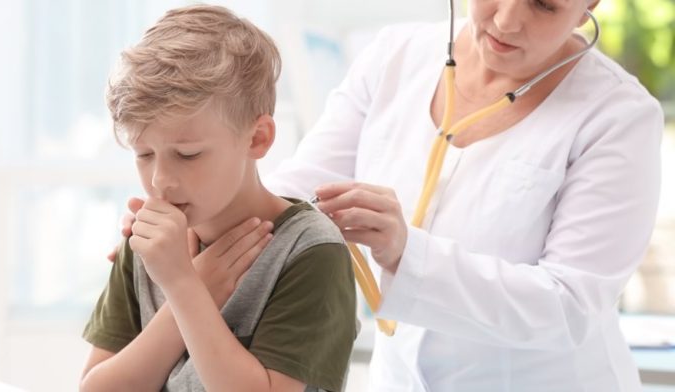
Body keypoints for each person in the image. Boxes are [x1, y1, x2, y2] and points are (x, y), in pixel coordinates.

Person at [117, 0, 664, 391]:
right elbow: (294, 190)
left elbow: (569, 305)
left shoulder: (618, 117)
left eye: (544, 5)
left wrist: (407, 251)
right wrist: (197, 218)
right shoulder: (396, 56)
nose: (506, 18)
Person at [81, 5, 357, 392]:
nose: (160, 180)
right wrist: (189, 287)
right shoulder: (147, 243)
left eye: (188, 154)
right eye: (143, 154)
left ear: (257, 138)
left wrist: (183, 285)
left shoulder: (310, 252)